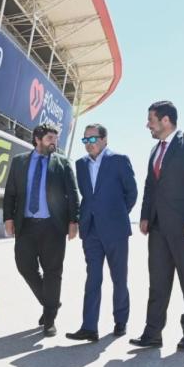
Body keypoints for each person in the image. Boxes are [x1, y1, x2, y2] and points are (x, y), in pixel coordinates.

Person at [131, 100, 184, 351]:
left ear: (166, 120)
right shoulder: (155, 151)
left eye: (151, 120)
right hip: (157, 227)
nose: (148, 125)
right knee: (157, 281)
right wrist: (145, 216)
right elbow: (149, 186)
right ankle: (152, 332)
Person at [3, 123, 80, 338]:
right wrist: (8, 218)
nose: (53, 142)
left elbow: (72, 193)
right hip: (26, 225)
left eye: (55, 138)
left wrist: (74, 221)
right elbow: (10, 193)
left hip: (53, 227)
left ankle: (49, 319)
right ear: (37, 139)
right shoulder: (19, 162)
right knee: (25, 267)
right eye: (49, 138)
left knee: (53, 272)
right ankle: (51, 302)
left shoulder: (62, 163)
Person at [66, 124, 138, 342]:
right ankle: (89, 327)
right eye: (85, 140)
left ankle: (120, 321)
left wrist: (116, 214)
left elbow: (131, 193)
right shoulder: (80, 164)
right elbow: (86, 196)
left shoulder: (119, 160)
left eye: (93, 139)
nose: (89, 144)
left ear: (105, 139)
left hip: (115, 229)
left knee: (119, 278)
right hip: (91, 229)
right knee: (93, 278)